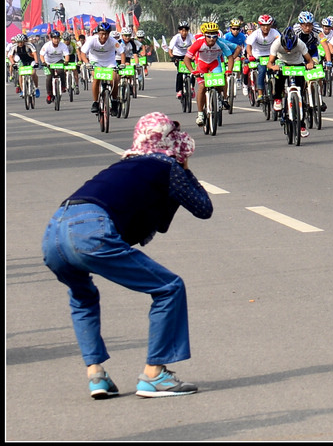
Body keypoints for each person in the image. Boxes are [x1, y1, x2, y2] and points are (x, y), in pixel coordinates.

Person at [42, 112, 213, 399]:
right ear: (174, 147)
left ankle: (96, 375)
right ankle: (155, 374)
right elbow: (203, 208)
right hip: (90, 232)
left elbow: (155, 222)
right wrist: (184, 168)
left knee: (82, 296)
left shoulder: (124, 166)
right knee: (169, 287)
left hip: (54, 231)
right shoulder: (166, 166)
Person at [266, 26, 316, 138]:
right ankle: (277, 98)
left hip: (297, 63)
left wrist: (310, 64)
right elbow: (270, 63)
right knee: (279, 77)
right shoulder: (276, 44)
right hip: (282, 63)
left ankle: (302, 125)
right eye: (286, 48)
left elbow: (309, 59)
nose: (288, 51)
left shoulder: (300, 43)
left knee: (300, 95)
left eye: (291, 48)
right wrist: (273, 67)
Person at [185, 21, 235, 127]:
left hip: (214, 64)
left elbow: (230, 57)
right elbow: (187, 59)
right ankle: (200, 115)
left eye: (214, 35)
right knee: (202, 86)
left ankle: (220, 98)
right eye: (209, 36)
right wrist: (193, 71)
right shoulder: (198, 43)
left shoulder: (220, 43)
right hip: (201, 65)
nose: (212, 38)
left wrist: (229, 70)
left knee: (220, 82)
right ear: (204, 35)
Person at [80, 21, 124, 115]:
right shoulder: (92, 40)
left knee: (115, 79)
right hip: (96, 62)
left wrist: (122, 64)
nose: (104, 36)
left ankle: (114, 101)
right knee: (96, 78)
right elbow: (83, 53)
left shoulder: (113, 41)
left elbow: (122, 52)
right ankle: (95, 102)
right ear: (98, 33)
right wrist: (87, 63)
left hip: (110, 63)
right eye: (102, 34)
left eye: (106, 34)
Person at [245, 14, 280, 106]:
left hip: (271, 54)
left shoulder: (274, 32)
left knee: (277, 71)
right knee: (262, 70)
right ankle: (260, 94)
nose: (266, 27)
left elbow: (280, 42)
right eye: (263, 25)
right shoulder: (255, 34)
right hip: (258, 55)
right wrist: (250, 55)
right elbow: (249, 46)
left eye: (268, 25)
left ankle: (278, 90)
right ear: (260, 25)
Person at [40, 31, 70, 104]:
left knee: (61, 71)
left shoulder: (63, 45)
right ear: (51, 39)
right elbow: (41, 55)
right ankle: (49, 94)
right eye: (54, 38)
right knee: (49, 77)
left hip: (58, 61)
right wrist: (44, 62)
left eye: (57, 38)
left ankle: (63, 86)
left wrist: (66, 62)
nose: (56, 40)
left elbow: (66, 55)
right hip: (48, 62)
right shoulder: (47, 45)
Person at [9, 33, 41, 98]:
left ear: (24, 41)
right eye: (18, 42)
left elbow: (34, 53)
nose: (20, 44)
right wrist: (13, 63)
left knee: (33, 73)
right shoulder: (14, 46)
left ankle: (36, 88)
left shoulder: (29, 45)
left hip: (31, 60)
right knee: (20, 74)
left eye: (21, 42)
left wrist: (37, 62)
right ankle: (23, 90)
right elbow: (10, 56)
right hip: (23, 61)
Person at [169, 21, 194, 99]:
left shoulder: (191, 36)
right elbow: (170, 49)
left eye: (186, 30)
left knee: (192, 71)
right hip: (178, 55)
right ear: (179, 31)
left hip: (188, 55)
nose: (184, 32)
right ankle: (179, 90)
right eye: (182, 30)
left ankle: (192, 87)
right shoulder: (176, 37)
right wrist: (172, 57)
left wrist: (195, 56)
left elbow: (195, 45)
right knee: (180, 73)